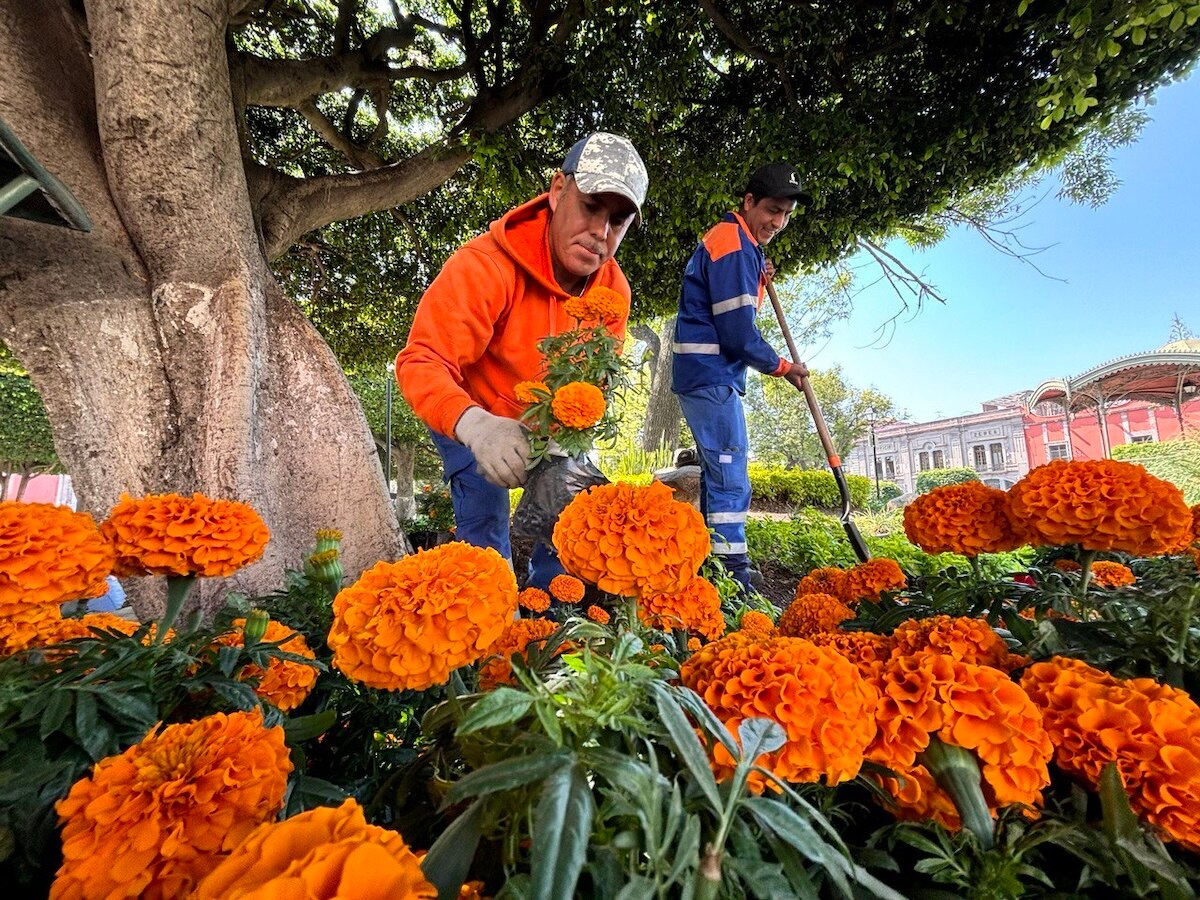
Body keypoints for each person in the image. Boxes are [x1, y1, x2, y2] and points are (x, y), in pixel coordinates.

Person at [395, 132, 648, 589]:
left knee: (568, 521)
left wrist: (561, 441)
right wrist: (475, 427)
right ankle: (487, 636)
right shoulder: (485, 265)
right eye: (591, 206)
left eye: (618, 220)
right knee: (486, 525)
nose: (600, 232)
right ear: (557, 191)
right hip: (470, 410)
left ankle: (552, 622)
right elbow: (422, 360)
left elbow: (596, 385)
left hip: (549, 425)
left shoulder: (614, 292)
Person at [671, 162, 810, 596]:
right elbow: (735, 332)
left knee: (719, 470)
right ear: (749, 202)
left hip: (706, 372)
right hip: (710, 370)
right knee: (731, 469)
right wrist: (783, 367)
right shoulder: (733, 244)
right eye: (771, 209)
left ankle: (715, 563)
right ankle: (733, 570)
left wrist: (757, 276)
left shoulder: (740, 244)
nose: (777, 222)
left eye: (786, 214)